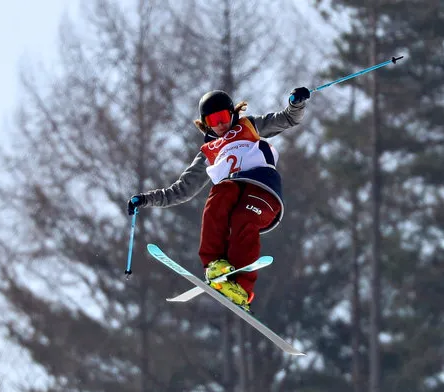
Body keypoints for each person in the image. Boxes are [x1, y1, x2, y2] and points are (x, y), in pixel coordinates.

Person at [127, 87, 310, 312]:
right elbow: (181, 190)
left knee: (239, 212)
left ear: (232, 114)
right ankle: (222, 271)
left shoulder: (249, 125)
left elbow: (288, 119)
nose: (221, 124)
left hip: (263, 189)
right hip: (233, 190)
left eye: (223, 117)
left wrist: (296, 104)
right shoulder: (208, 152)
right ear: (205, 124)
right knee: (227, 206)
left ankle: (236, 280)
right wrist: (145, 199)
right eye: (214, 120)